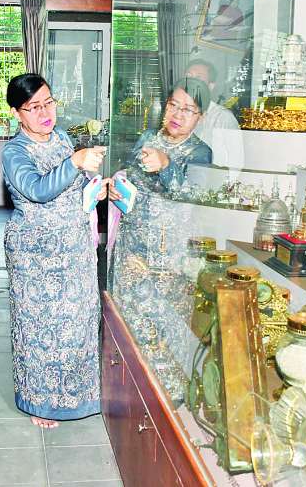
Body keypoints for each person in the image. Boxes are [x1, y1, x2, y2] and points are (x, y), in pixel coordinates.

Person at [1, 73, 107, 428]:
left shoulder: (62, 137)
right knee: (40, 329)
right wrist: (75, 162)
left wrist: (94, 188)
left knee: (77, 322)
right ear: (17, 113)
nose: (45, 112)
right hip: (36, 256)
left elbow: (73, 183)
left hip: (74, 247)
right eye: (33, 107)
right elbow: (38, 190)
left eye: (49, 103)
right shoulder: (14, 152)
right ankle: (40, 401)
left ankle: (78, 395)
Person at [108, 78, 213, 394]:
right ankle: (125, 396)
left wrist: (167, 165)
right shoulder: (147, 138)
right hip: (131, 246)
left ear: (200, 117)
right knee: (126, 319)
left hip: (168, 257)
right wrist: (117, 189)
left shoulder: (200, 152)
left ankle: (164, 397)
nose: (178, 115)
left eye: (188, 110)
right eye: (173, 105)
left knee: (162, 327)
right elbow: (132, 177)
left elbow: (192, 196)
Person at [185, 59, 245, 171]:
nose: (192, 82)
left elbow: (237, 162)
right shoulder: (178, 114)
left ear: (210, 86)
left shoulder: (223, 117)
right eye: (188, 77)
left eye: (198, 78)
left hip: (213, 180)